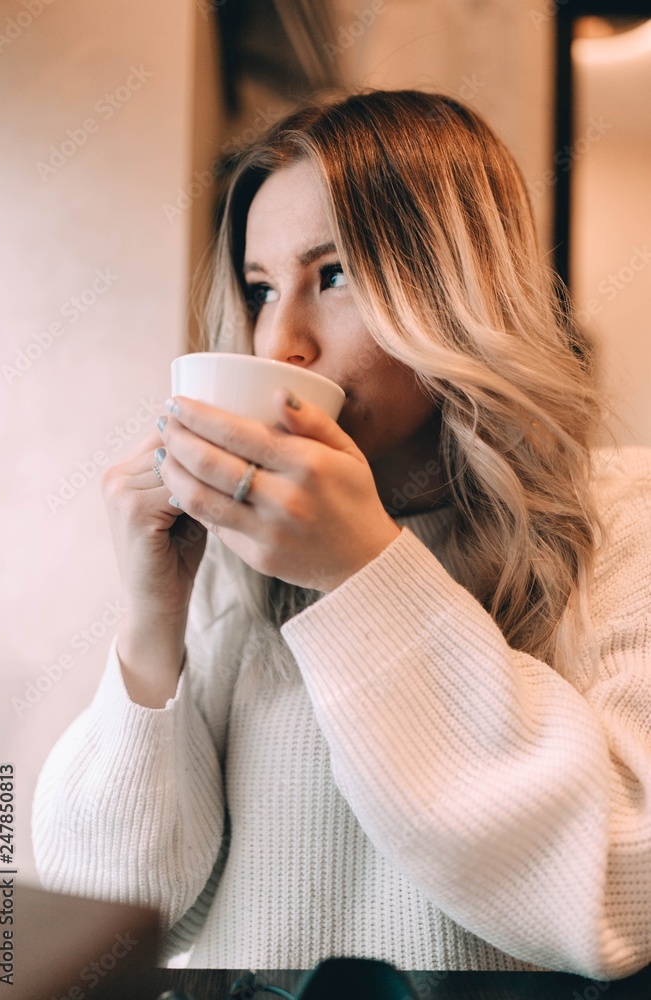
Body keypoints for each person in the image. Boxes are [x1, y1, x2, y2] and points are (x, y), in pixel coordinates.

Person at [32, 90, 651, 978]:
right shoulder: (233, 566)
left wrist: (362, 571)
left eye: (332, 276)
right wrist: (149, 618)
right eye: (257, 290)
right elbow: (111, 922)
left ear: (456, 288)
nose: (280, 342)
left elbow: (613, 895)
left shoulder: (619, 519)